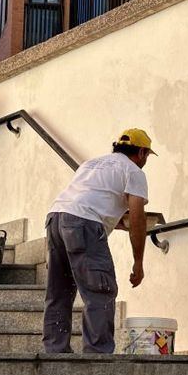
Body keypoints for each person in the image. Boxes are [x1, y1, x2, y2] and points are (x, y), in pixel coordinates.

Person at [42, 129, 155, 354]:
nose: (146, 161)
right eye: (147, 156)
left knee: (59, 291)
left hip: (55, 218)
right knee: (100, 290)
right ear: (141, 152)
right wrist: (138, 262)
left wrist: (113, 222)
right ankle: (98, 356)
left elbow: (89, 200)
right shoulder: (133, 171)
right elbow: (136, 216)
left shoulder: (91, 164)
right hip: (84, 224)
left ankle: (54, 352)